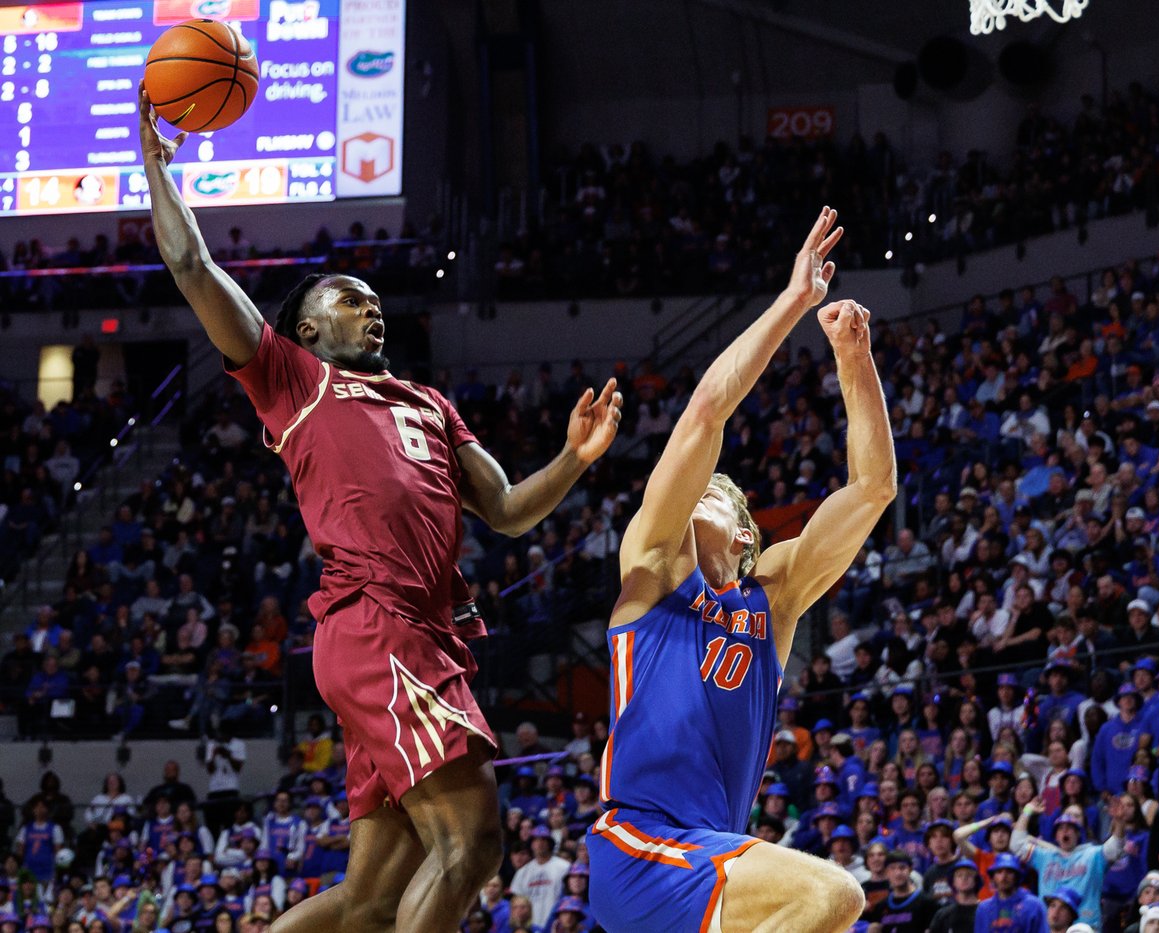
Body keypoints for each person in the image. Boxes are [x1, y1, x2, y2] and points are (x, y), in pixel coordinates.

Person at [140, 86, 623, 933]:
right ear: (306, 330)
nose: (372, 308)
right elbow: (193, 267)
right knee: (473, 843)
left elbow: (508, 509)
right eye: (350, 298)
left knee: (368, 903)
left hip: (419, 633)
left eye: (374, 300)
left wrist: (574, 459)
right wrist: (157, 170)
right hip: (378, 625)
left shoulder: (429, 403)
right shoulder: (293, 380)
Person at [586, 208, 894, 933]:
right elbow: (706, 412)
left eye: (714, 490)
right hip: (639, 845)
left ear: (748, 532)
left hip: (710, 849)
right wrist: (795, 300)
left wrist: (855, 360)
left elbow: (872, 488)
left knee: (829, 909)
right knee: (831, 895)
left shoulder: (773, 599)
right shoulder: (654, 565)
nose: (696, 489)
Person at [973, 854, 1047, 933]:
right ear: (993, 877)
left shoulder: (1034, 906)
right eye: (999, 872)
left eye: (1009, 872)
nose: (1003, 877)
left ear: (1017, 876)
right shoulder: (984, 908)